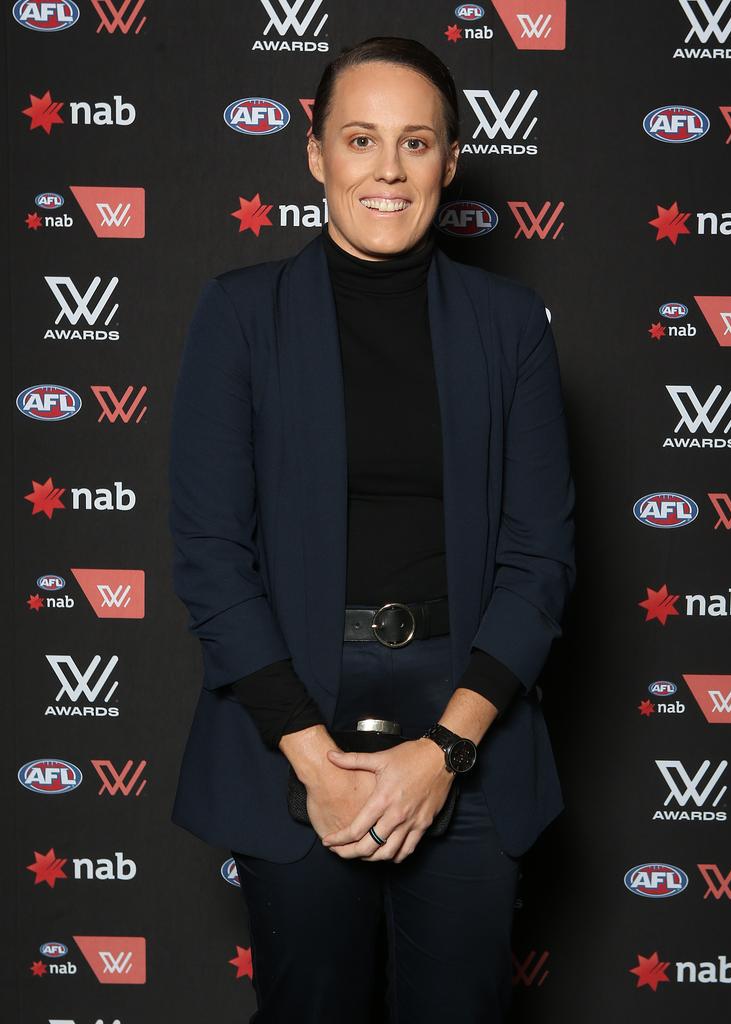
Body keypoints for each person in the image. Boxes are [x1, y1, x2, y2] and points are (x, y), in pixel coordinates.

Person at [168, 36, 576, 1024]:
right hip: (289, 730)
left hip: (466, 722)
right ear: (315, 152)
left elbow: (540, 562)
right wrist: (314, 760)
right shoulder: (239, 314)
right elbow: (212, 557)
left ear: (449, 159)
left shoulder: (511, 324)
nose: (387, 169)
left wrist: (444, 751)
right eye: (360, 138)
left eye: (415, 142)